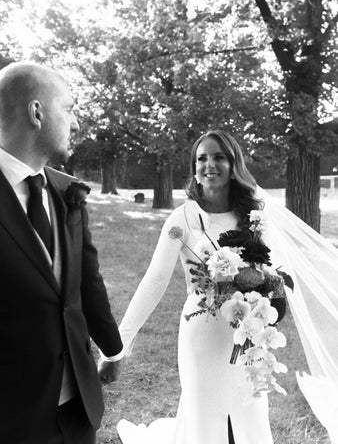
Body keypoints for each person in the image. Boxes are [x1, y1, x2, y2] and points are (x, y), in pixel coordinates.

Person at [116, 130, 286, 444]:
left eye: (219, 156)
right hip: (202, 334)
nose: (210, 164)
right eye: (202, 158)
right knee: (205, 419)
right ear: (194, 167)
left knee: (249, 416)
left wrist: (267, 304)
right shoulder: (183, 219)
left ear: (233, 163)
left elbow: (271, 272)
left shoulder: (254, 215)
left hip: (249, 333)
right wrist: (121, 344)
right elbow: (154, 281)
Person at [0, 61, 124, 444]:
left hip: (78, 411)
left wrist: (113, 349)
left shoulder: (66, 190)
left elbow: (87, 280)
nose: (76, 123)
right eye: (68, 108)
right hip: (14, 415)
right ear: (37, 112)